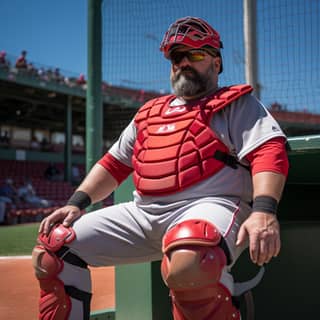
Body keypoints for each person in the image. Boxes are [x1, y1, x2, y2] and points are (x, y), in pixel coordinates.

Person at [33, 16, 289, 320]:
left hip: (208, 209)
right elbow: (114, 164)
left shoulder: (236, 103)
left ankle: (228, 302)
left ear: (217, 63)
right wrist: (76, 203)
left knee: (192, 258)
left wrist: (264, 211)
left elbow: (270, 151)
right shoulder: (150, 112)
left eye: (195, 55)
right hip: (143, 214)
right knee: (55, 248)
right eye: (177, 57)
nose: (183, 63)